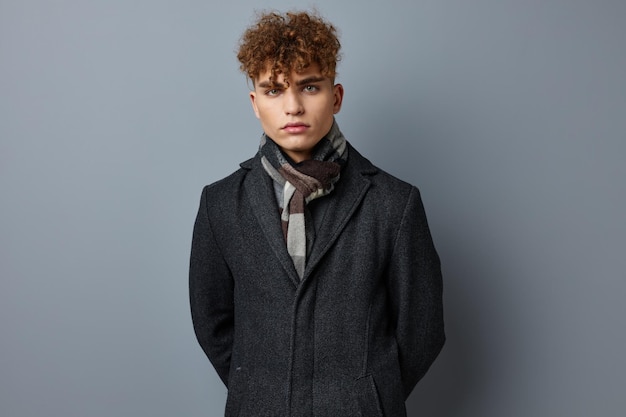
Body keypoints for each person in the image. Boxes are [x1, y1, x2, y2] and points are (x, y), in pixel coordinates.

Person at [189, 10, 445, 417]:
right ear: (255, 103)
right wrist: (260, 387)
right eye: (274, 90)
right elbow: (212, 323)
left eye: (309, 87)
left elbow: (423, 331)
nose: (293, 106)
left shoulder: (394, 203)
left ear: (336, 96)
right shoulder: (220, 204)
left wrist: (368, 393)